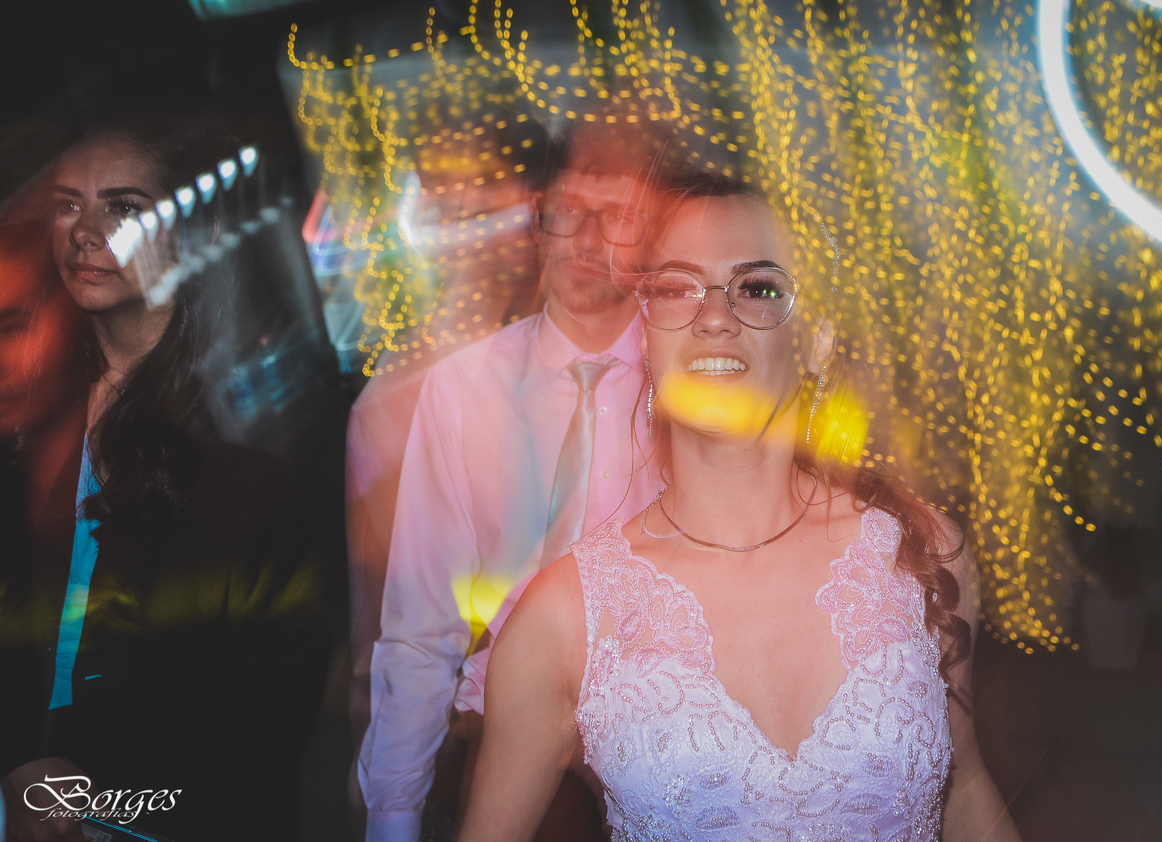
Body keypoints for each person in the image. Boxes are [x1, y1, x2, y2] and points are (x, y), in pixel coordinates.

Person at [457, 176, 1023, 841]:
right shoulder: (563, 618)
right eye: (678, 287)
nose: (715, 317)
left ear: (816, 341)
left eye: (757, 288)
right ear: (647, 335)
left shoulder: (921, 555)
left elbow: (966, 789)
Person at [0, 124, 340, 842]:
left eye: (123, 207)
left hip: (169, 810)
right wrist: (21, 762)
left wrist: (102, 794)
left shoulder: (265, 426)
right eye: (68, 204)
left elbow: (278, 674)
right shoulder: (30, 399)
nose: (85, 232)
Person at [357, 118, 671, 841]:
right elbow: (420, 627)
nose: (587, 241)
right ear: (537, 218)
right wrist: (393, 819)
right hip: (499, 725)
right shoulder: (464, 389)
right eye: (568, 212)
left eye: (618, 217)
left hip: (654, 735)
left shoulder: (685, 387)